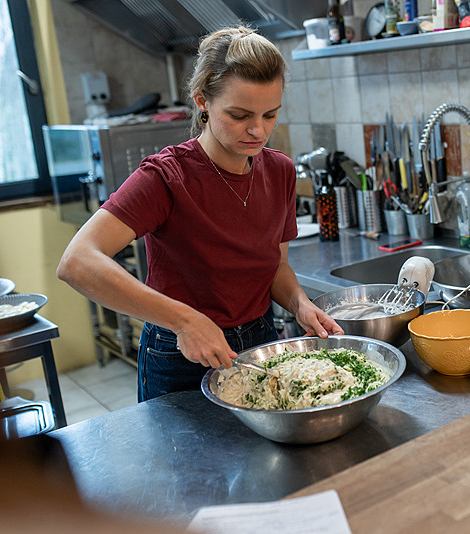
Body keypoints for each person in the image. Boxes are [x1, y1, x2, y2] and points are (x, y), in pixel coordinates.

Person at [57, 26, 343, 402]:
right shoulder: (165, 176)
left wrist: (300, 304)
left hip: (260, 342)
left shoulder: (280, 171)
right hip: (179, 352)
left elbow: (274, 266)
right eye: (240, 115)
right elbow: (77, 262)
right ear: (203, 101)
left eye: (270, 114)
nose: (258, 130)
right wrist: (184, 320)